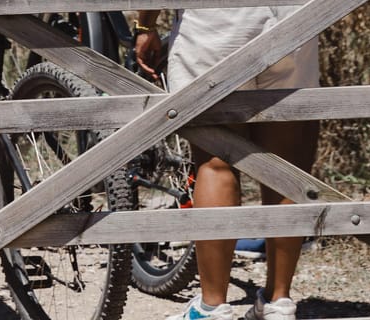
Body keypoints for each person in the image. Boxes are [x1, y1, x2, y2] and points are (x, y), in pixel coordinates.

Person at [135, 7, 320, 320]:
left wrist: (146, 23)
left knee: (214, 162)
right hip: (290, 14)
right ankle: (278, 302)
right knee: (285, 165)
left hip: (214, 21)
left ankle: (212, 307)